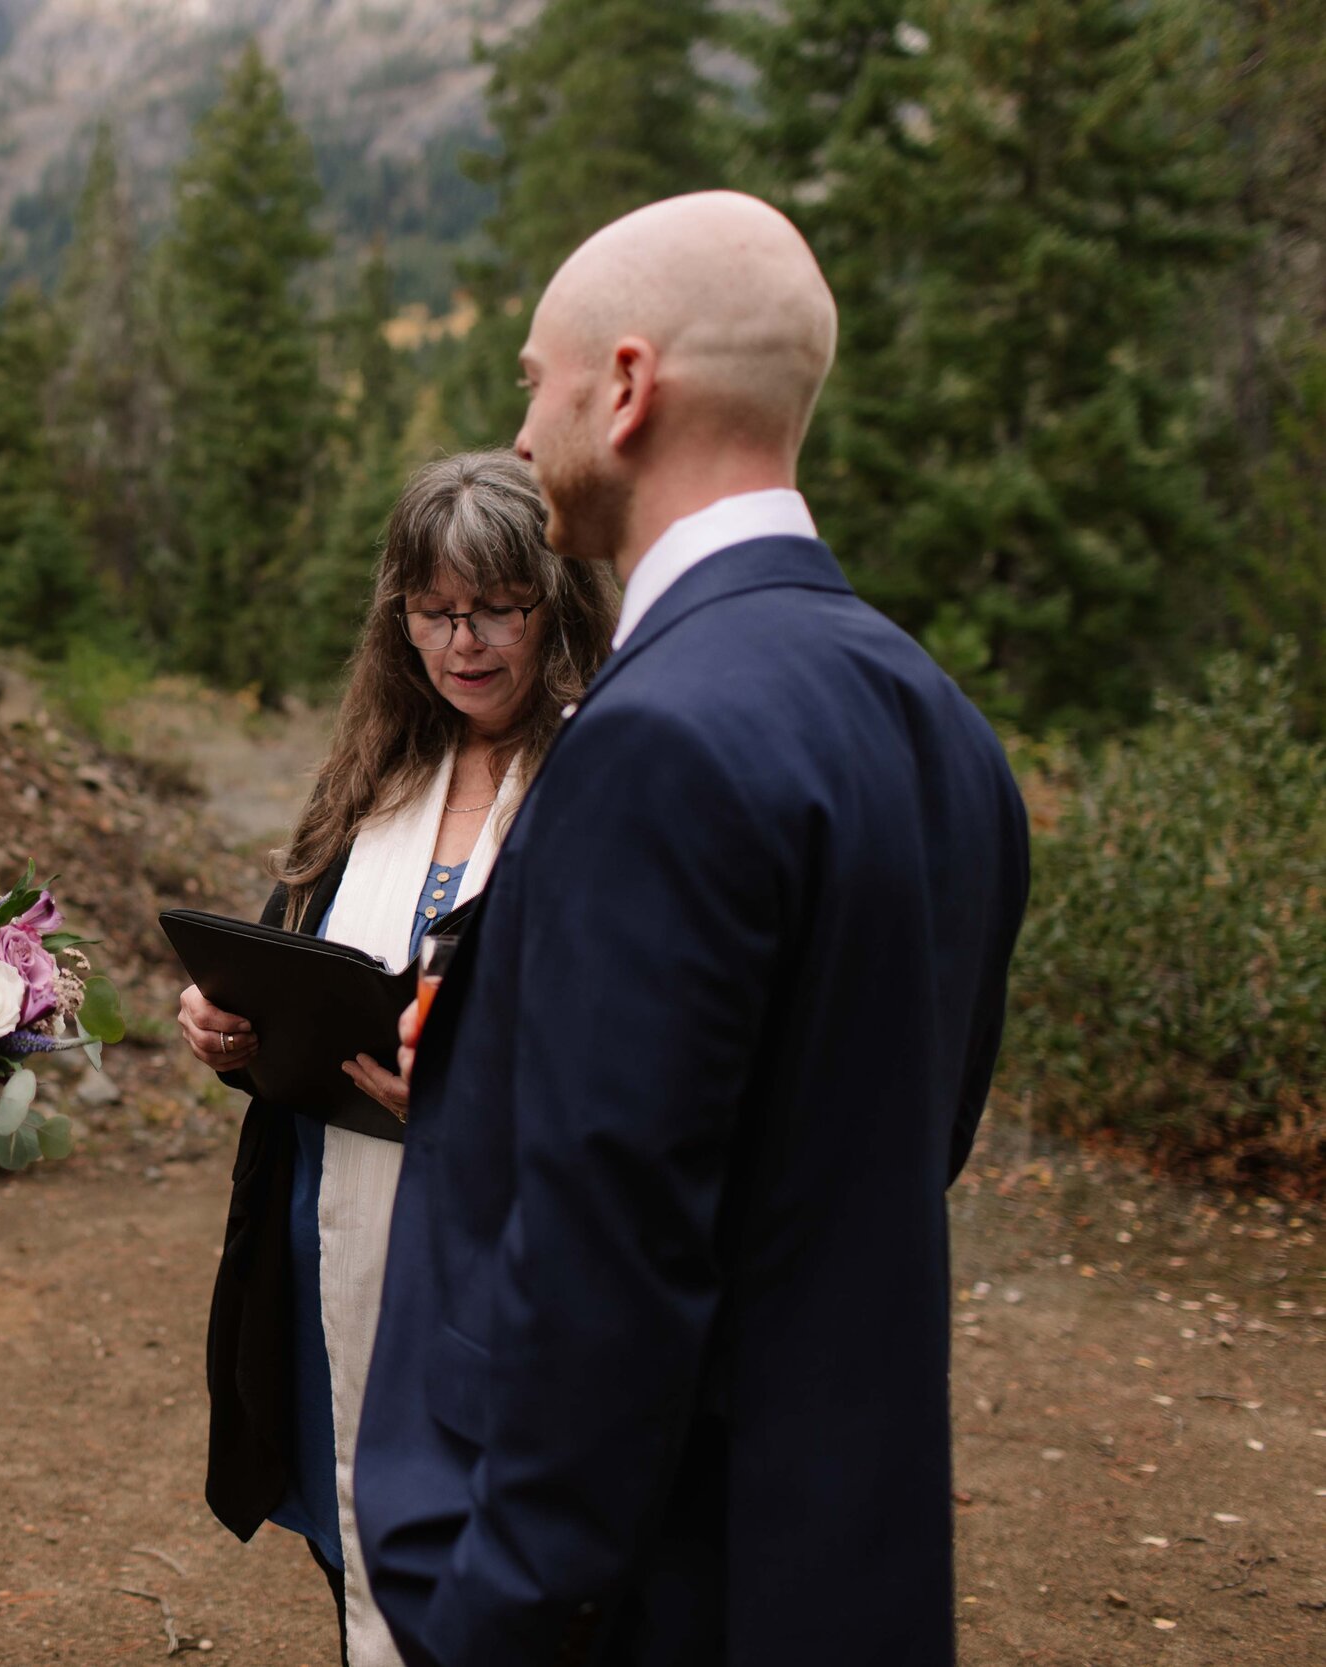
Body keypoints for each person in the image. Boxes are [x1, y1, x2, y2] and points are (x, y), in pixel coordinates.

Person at [353, 193, 1030, 1667]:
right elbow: (911, 1141)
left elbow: (610, 1244)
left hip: (662, 1583)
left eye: (537, 380)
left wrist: (502, 1604)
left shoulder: (657, 736)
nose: (524, 437)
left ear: (630, 385)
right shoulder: (940, 721)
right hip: (843, 1553)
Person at [181, 451, 617, 1666]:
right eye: (432, 610)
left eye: (497, 608)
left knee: (497, 1567)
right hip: (336, 1237)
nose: (463, 642)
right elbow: (299, 974)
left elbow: (642, 1044)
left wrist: (485, 1096)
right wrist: (229, 1030)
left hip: (502, 1257)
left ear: (558, 604)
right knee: (357, 1540)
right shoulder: (376, 774)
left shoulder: (605, 774)